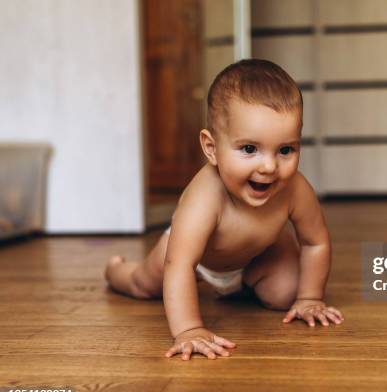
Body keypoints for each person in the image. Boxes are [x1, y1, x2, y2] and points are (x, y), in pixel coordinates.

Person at [104, 59, 343, 361]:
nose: (269, 166)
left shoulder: (295, 189)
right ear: (211, 148)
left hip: (256, 255)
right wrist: (188, 330)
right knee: (144, 284)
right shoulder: (204, 195)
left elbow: (315, 241)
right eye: (249, 149)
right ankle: (116, 270)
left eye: (285, 150)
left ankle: (244, 286)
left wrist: (310, 297)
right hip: (193, 256)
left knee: (286, 294)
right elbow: (180, 265)